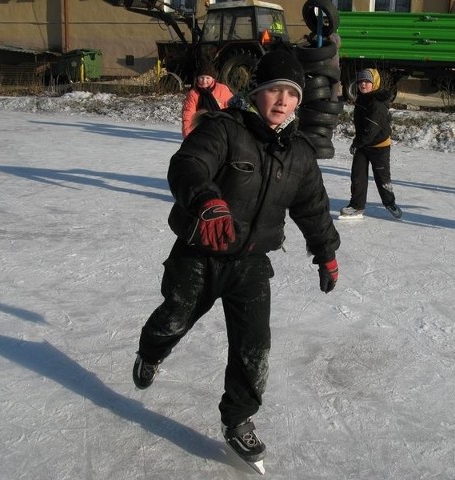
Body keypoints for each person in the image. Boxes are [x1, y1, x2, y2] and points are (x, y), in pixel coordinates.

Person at [132, 48, 341, 465]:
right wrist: (207, 199)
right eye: (274, 91)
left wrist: (326, 252)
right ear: (256, 93)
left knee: (254, 345)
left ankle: (239, 419)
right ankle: (151, 352)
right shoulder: (225, 130)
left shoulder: (299, 154)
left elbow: (313, 208)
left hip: (250, 263)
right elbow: (188, 163)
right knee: (174, 316)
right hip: (200, 253)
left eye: (292, 94)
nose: (283, 101)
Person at [340, 68, 402, 219]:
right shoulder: (362, 98)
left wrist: (357, 143)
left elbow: (371, 129)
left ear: (374, 83)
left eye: (367, 81)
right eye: (361, 81)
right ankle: (357, 206)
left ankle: (389, 203)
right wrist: (359, 142)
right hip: (364, 144)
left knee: (382, 177)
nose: (363, 84)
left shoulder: (377, 103)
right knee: (358, 176)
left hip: (379, 146)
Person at [181, 62, 233, 138]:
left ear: (213, 78)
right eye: (201, 78)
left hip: (222, 128)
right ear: (197, 78)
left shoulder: (222, 90)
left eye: (208, 78)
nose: (204, 81)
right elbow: (188, 114)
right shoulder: (193, 94)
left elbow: (232, 109)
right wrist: (188, 134)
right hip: (201, 129)